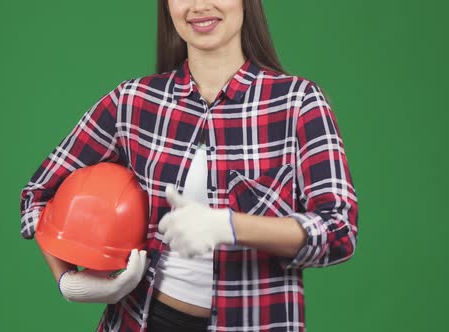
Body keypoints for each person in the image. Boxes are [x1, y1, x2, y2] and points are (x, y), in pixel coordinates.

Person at [19, 0, 359, 331]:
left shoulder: (298, 103)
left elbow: (339, 230)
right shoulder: (133, 102)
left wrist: (230, 226)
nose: (199, 6)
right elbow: (38, 195)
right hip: (143, 320)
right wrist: (70, 281)